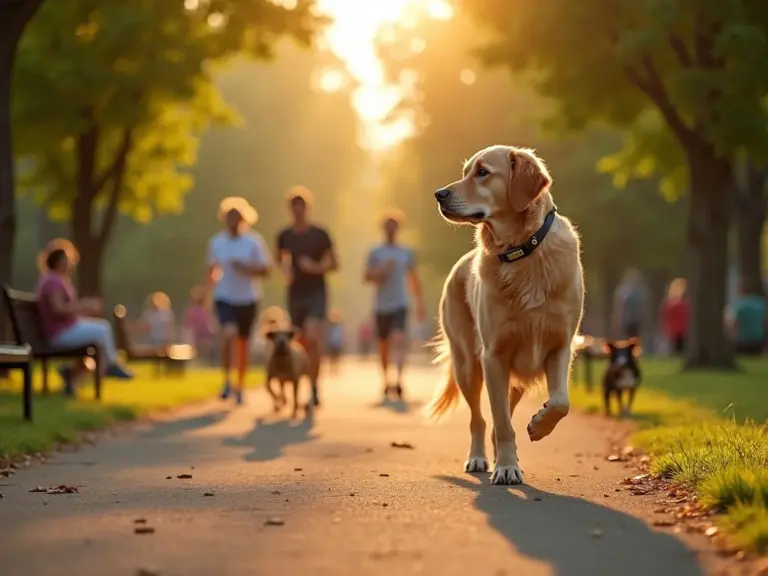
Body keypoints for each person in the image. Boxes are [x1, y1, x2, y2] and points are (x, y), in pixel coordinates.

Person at [35, 242, 133, 392]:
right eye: (68, 260)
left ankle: (70, 375)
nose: (71, 264)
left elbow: (65, 311)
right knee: (103, 329)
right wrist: (84, 306)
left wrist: (86, 308)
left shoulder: (55, 279)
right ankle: (111, 365)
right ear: (60, 261)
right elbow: (59, 309)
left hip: (61, 329)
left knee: (95, 342)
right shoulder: (52, 280)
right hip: (58, 333)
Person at [276, 186, 338, 408]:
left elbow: (334, 263)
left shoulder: (320, 234)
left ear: (307, 208)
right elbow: (280, 259)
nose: (298, 210)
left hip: (316, 291)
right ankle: (299, 383)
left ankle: (314, 387)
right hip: (295, 292)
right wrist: (286, 270)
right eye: (294, 206)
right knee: (299, 342)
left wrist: (315, 267)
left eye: (301, 205)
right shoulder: (284, 236)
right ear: (290, 209)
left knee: (313, 338)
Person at [207, 197, 272, 404]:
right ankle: (226, 380)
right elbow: (212, 270)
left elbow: (266, 270)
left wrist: (245, 269)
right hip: (224, 296)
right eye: (229, 216)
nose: (232, 220)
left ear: (244, 218)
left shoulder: (254, 242)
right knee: (228, 333)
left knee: (243, 343)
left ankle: (240, 384)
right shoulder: (217, 242)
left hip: (248, 298)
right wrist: (205, 290)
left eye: (236, 216)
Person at [364, 210, 426, 399]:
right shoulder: (375, 252)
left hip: (400, 303)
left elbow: (413, 278)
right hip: (381, 305)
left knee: (399, 339)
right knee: (383, 345)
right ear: (383, 228)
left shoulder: (406, 253)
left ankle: (398, 381)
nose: (391, 228)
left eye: (394, 224)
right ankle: (385, 380)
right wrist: (382, 270)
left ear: (398, 228)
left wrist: (419, 303)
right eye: (387, 224)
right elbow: (367, 277)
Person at [726, 279, 767, 355]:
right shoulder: (761, 304)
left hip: (743, 340)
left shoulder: (740, 305)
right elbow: (765, 322)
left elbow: (735, 324)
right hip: (758, 339)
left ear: (742, 290)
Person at [183, 285, 216, 363]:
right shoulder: (192, 310)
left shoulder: (203, 311)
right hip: (194, 334)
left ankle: (203, 361)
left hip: (201, 334)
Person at [612, 268, 648, 339]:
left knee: (635, 337)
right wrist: (617, 318)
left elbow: (643, 307)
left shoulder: (640, 291)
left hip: (637, 319)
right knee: (627, 337)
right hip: (626, 319)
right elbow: (619, 306)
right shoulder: (623, 291)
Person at [660, 278, 690, 356]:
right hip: (676, 329)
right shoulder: (675, 304)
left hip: (678, 329)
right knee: (677, 347)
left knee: (678, 347)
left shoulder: (672, 304)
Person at [326, 309, 344, 375]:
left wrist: (342, 341)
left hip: (337, 343)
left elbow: (341, 334)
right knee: (332, 356)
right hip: (332, 343)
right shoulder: (330, 326)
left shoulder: (340, 326)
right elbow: (328, 334)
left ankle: (336, 368)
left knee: (337, 356)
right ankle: (332, 368)